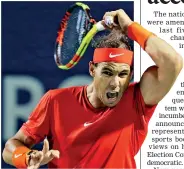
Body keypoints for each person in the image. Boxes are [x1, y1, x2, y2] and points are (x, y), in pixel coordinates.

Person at [2, 9, 183, 169]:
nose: (115, 83)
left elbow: (173, 62)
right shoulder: (55, 101)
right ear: (92, 70)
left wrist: (130, 26)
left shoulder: (138, 100)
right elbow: (11, 147)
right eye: (107, 72)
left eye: (122, 74)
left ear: (130, 75)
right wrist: (25, 157)